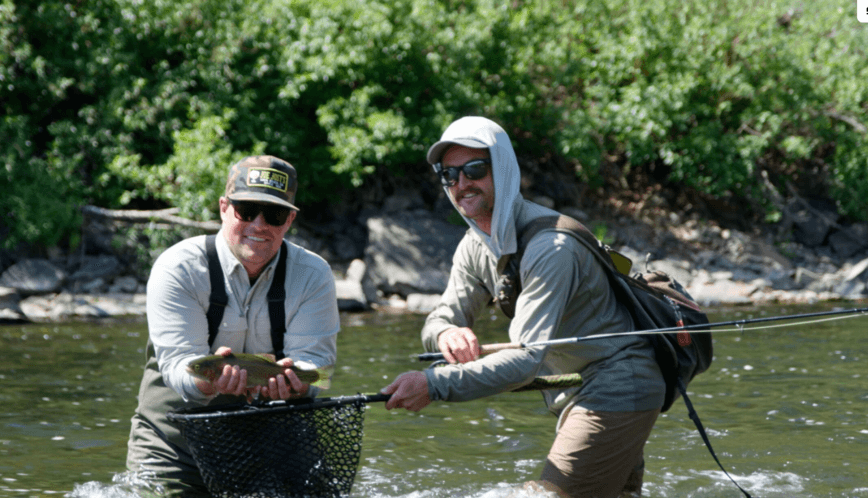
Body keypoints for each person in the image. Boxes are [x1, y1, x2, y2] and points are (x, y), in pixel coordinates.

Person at [380, 117, 666, 498]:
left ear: (503, 169)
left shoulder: (551, 248)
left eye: (475, 170)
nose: (461, 183)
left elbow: (527, 359)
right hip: (579, 393)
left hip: (619, 387)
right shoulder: (474, 245)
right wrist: (448, 332)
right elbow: (440, 317)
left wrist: (434, 384)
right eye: (448, 174)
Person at [126, 155, 341, 497]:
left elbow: (315, 363)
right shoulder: (178, 268)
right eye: (246, 210)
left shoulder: (313, 275)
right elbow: (177, 365)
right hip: (175, 442)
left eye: (274, 214)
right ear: (224, 207)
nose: (259, 224)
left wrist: (299, 381)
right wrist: (207, 383)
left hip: (275, 435)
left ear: (290, 220)